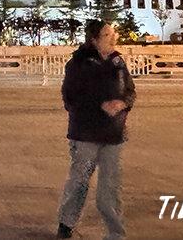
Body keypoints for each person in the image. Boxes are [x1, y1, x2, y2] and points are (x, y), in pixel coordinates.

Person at [57, 20, 136, 240]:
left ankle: (116, 233)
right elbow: (70, 99)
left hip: (114, 134)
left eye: (113, 34)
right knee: (79, 182)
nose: (113, 38)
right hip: (86, 134)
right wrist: (100, 106)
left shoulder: (118, 62)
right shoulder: (78, 64)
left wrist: (123, 103)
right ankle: (66, 223)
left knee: (110, 187)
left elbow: (130, 91)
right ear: (93, 40)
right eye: (107, 35)